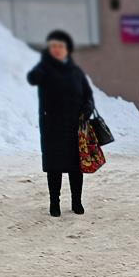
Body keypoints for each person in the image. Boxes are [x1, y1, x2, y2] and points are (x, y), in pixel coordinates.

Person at [27, 29, 94, 217]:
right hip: (53, 127)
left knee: (75, 167)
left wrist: (87, 109)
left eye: (60, 46)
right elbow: (33, 78)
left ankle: (76, 201)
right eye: (53, 46)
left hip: (75, 126)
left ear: (67, 49)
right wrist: (43, 63)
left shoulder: (76, 71)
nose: (57, 49)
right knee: (55, 167)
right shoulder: (45, 69)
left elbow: (88, 95)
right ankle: (54, 202)